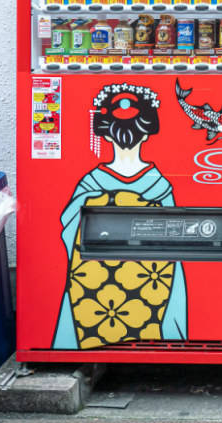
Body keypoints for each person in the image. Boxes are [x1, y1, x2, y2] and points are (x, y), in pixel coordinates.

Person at [52, 84, 187, 349]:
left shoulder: (90, 183)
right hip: (151, 288)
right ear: (148, 133)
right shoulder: (159, 185)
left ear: (104, 133)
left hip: (92, 290)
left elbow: (67, 227)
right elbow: (178, 241)